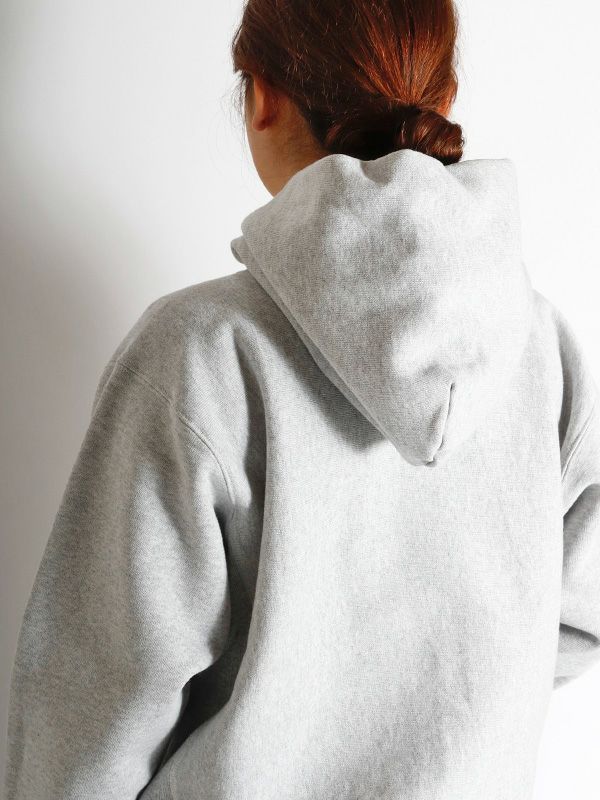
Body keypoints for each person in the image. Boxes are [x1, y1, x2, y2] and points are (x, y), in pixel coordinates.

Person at [4, 0, 600, 798]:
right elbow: (582, 610)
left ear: (262, 96)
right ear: (443, 96)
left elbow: (92, 707)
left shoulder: (199, 352)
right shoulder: (543, 352)